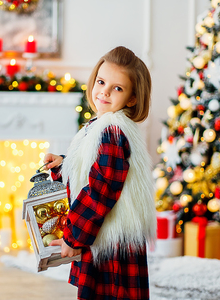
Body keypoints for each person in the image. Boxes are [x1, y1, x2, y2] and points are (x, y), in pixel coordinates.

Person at [44, 46, 156, 300]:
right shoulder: (101, 125)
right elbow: (93, 166)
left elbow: (101, 188)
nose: (104, 91)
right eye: (101, 81)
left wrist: (73, 237)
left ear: (132, 98)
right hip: (103, 233)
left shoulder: (112, 130)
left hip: (110, 241)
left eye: (117, 88)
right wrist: (64, 164)